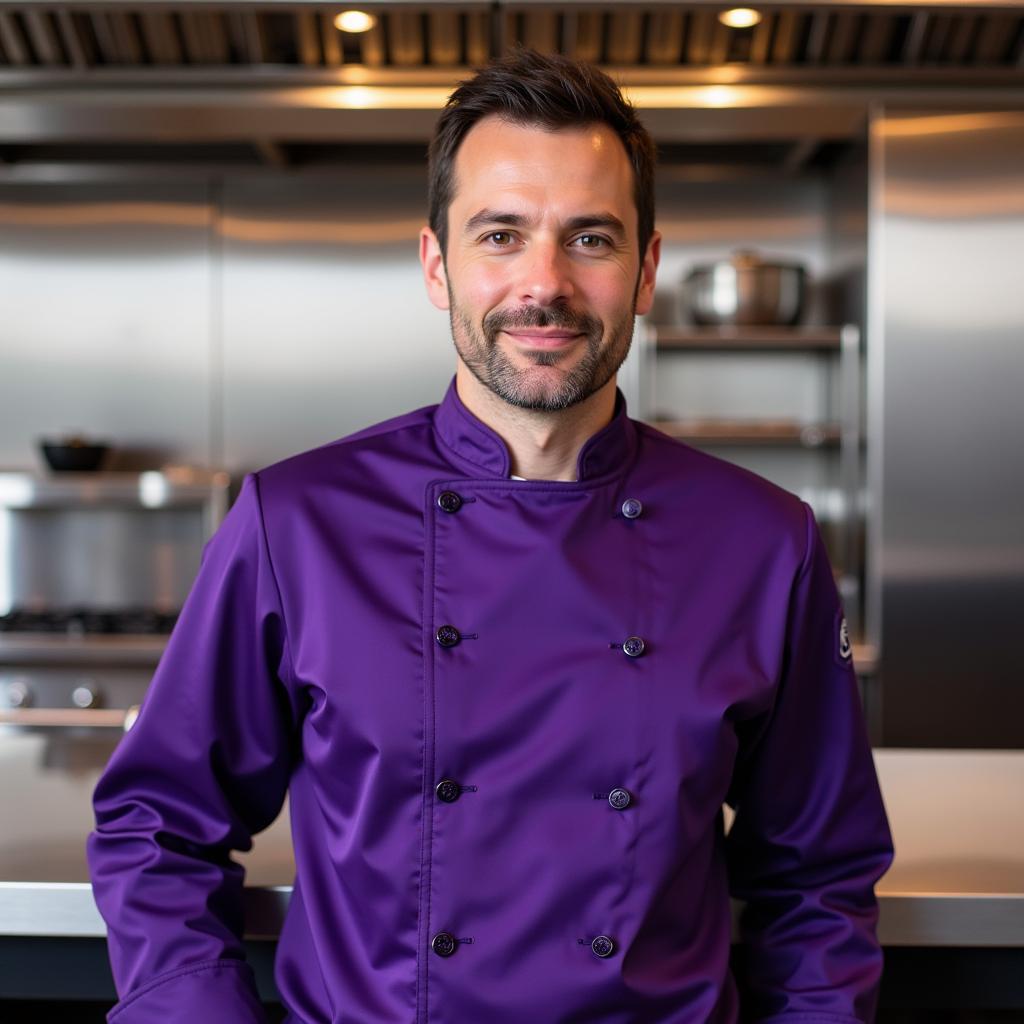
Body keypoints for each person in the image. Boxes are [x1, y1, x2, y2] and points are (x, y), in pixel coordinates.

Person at [88, 48, 894, 1024]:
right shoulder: (296, 524)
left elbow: (817, 878)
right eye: (500, 235)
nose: (543, 284)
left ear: (644, 270)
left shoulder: (765, 544)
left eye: (589, 238)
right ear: (437, 264)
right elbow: (159, 822)